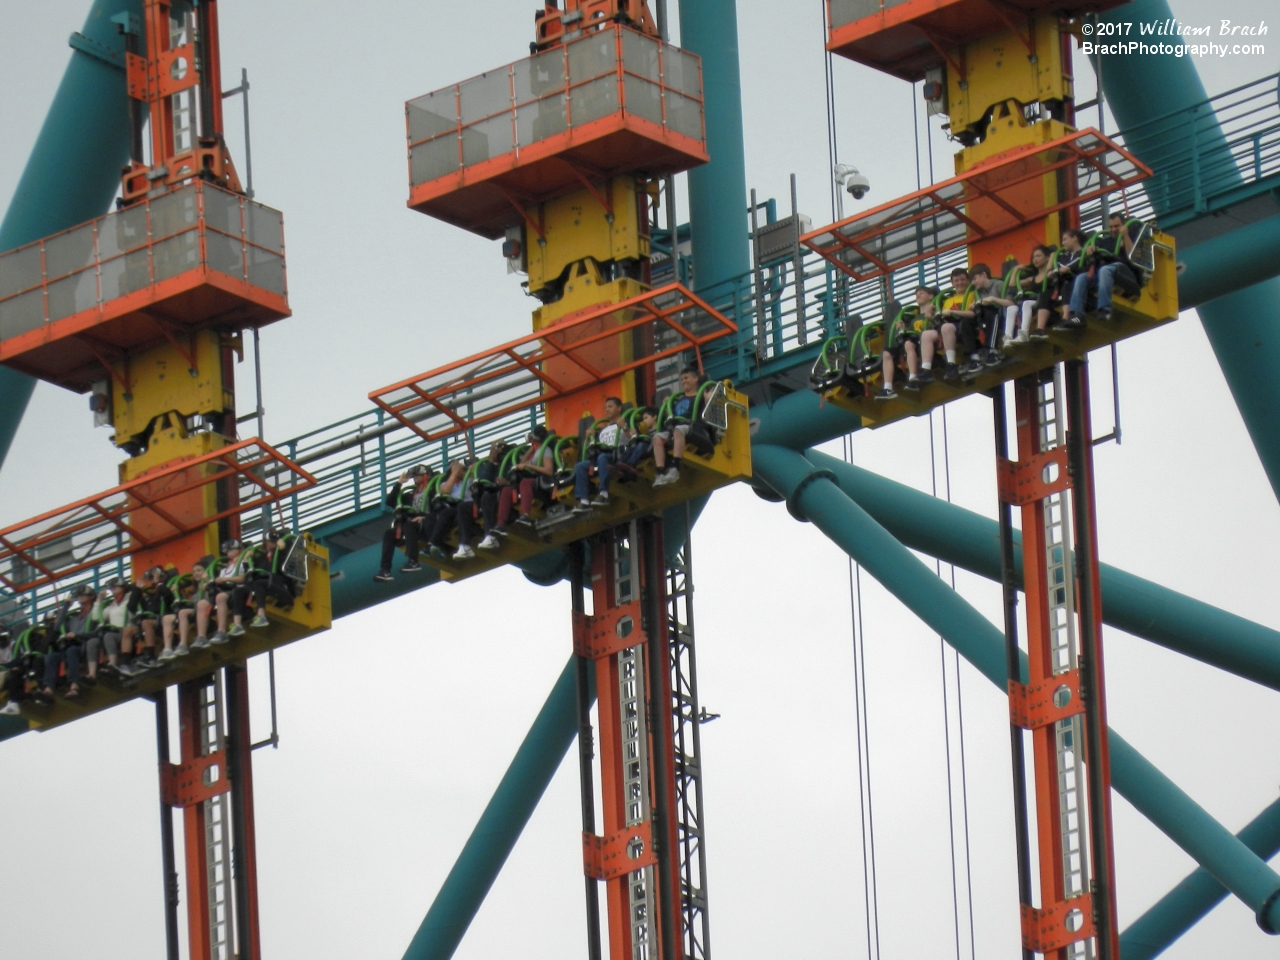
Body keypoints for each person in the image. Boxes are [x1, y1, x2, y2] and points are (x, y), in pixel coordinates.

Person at [1067, 213, 1143, 322]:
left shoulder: (1132, 237)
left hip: (1125, 272)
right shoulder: (1104, 241)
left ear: (1124, 225)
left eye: (1117, 226)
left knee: (1105, 270)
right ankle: (1076, 315)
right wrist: (1091, 251)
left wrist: (1125, 236)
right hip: (1106, 273)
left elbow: (1134, 256)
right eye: (1111, 227)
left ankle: (1104, 309)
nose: (1113, 229)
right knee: (1081, 278)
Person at [374, 464, 433, 582]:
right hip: (411, 524)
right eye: (414, 475)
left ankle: (413, 561)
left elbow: (439, 508)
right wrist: (399, 482)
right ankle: (385, 570)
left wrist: (424, 517)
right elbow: (390, 501)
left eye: (418, 475)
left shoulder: (433, 489)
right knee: (389, 533)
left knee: (409, 525)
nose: (415, 477)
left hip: (426, 522)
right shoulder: (411, 495)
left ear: (426, 475)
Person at [875, 288, 934, 400]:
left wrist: (931, 316)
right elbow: (911, 330)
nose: (918, 296)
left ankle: (913, 378)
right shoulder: (914, 317)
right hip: (912, 340)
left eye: (921, 293)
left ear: (930, 296)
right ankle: (888, 388)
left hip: (923, 341)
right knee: (887, 353)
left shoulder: (933, 310)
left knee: (908, 344)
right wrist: (903, 327)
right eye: (917, 295)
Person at [230, 535, 294, 635]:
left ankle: (261, 616)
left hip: (280, 585)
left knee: (259, 583)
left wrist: (282, 549)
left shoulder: (280, 552)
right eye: (270, 541)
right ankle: (237, 624)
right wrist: (246, 560)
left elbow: (282, 567)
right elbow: (250, 574)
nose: (273, 543)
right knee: (239, 590)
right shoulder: (260, 556)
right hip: (263, 584)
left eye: (274, 541)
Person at [573, 397, 628, 510]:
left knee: (602, 458)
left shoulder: (624, 423)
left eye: (610, 407)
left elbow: (633, 437)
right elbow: (594, 447)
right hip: (602, 455)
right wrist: (588, 439)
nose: (607, 410)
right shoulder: (603, 430)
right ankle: (583, 500)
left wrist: (625, 427)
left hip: (617, 454)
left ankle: (603, 493)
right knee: (580, 466)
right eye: (606, 407)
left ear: (619, 408)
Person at [497, 426, 556, 526]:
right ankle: (500, 524)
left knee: (525, 483)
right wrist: (531, 449)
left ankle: (525, 515)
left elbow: (549, 471)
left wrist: (529, 466)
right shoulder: (536, 451)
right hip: (533, 480)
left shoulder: (545, 450)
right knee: (507, 490)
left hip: (542, 480)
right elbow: (522, 463)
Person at [653, 367, 702, 487]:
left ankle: (675, 468)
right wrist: (669, 403)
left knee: (678, 430)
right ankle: (660, 473)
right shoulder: (678, 399)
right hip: (676, 426)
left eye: (686, 378)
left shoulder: (700, 396)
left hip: (691, 426)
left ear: (695, 379)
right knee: (657, 437)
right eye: (682, 379)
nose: (684, 381)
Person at [935, 268, 985, 376]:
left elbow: (973, 314)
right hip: (954, 327)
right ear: (952, 283)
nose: (960, 283)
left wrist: (954, 312)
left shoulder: (974, 294)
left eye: (962, 279)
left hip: (971, 324)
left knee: (965, 323)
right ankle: (951, 364)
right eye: (956, 280)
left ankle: (974, 357)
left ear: (968, 281)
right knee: (945, 327)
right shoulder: (948, 301)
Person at [49, 586, 97, 698]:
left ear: (91, 596)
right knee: (52, 657)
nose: (80, 597)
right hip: (73, 646)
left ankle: (74, 685)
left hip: (85, 645)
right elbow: (57, 626)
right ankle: (48, 689)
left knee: (71, 651)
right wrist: (66, 606)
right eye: (78, 596)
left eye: (83, 595)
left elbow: (97, 632)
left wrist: (77, 635)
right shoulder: (74, 618)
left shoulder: (95, 612)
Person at [1003, 248, 1053, 347]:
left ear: (1047, 258)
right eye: (1034, 257)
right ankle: (1007, 338)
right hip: (1034, 303)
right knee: (1011, 308)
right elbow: (1012, 284)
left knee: (1026, 303)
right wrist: (1016, 269)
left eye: (1038, 256)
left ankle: (1024, 333)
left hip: (1044, 301)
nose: (1035, 259)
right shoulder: (1033, 278)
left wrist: (1051, 255)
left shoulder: (1049, 273)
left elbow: (1051, 263)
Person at [424, 460, 469, 559]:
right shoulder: (446, 483)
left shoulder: (468, 479)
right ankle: (439, 547)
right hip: (450, 507)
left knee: (446, 512)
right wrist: (454, 474)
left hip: (465, 507)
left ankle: (432, 543)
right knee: (430, 518)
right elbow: (445, 491)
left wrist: (468, 471)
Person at [471, 441, 510, 551]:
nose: (498, 450)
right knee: (486, 496)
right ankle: (490, 536)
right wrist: (491, 462)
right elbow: (483, 479)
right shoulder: (486, 465)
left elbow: (515, 473)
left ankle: (493, 534)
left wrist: (506, 481)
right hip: (494, 493)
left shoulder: (510, 458)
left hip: (508, 490)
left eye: (500, 447)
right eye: (495, 448)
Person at [209, 541, 250, 644]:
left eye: (231, 549)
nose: (228, 552)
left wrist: (225, 579)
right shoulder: (225, 569)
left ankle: (236, 625)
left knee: (232, 593)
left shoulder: (243, 561)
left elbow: (244, 578)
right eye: (227, 550)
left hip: (242, 589)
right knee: (219, 597)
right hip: (229, 590)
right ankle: (221, 631)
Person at [91, 579, 132, 676]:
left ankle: (116, 663)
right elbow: (95, 617)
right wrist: (99, 600)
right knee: (107, 635)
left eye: (115, 587)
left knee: (111, 635)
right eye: (111, 588)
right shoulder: (111, 605)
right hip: (116, 632)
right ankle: (112, 663)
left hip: (129, 628)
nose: (112, 590)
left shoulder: (129, 598)